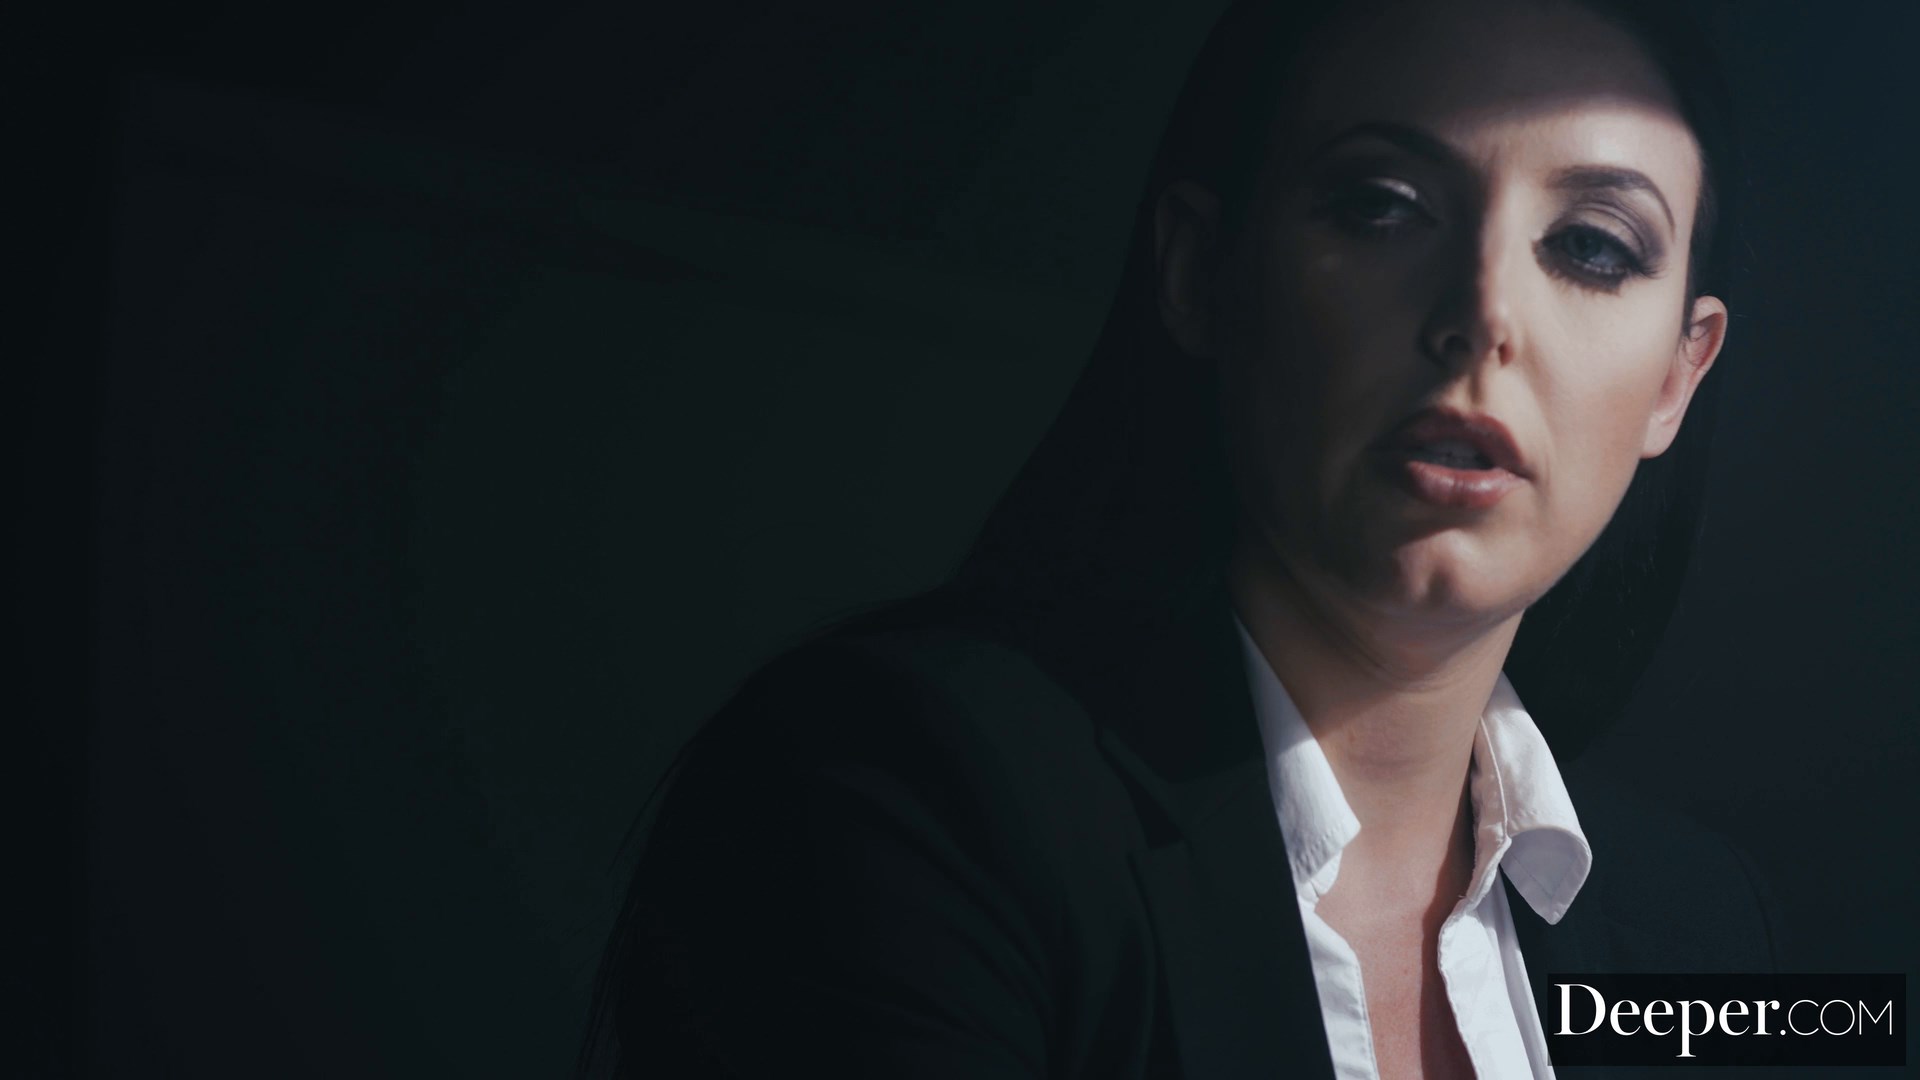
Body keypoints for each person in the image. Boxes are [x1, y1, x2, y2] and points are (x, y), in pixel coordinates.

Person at [582, 0, 1782, 1075]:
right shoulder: (896, 798)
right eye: (1383, 206)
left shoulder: (1700, 929)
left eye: (1592, 246)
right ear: (1203, 270)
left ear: (1679, 376)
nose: (1482, 314)